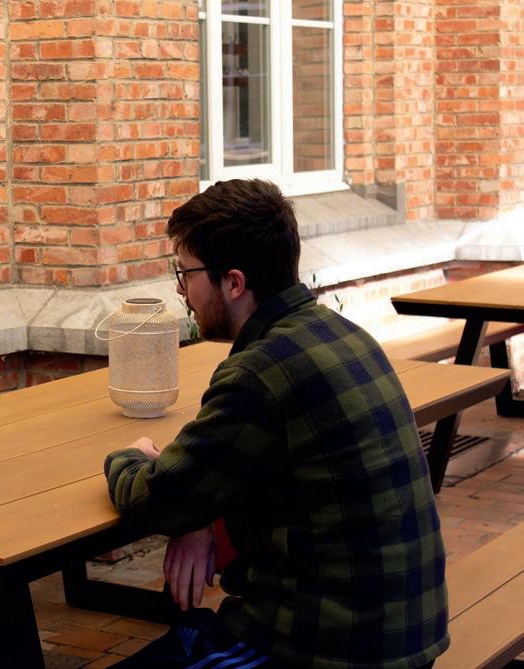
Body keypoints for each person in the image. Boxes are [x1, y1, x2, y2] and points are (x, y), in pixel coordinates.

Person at [104, 179, 448, 668]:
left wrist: (131, 454)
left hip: (326, 650)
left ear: (234, 283)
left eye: (186, 274)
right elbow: (215, 484)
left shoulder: (261, 372)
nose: (182, 291)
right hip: (405, 634)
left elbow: (159, 499)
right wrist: (199, 517)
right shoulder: (343, 334)